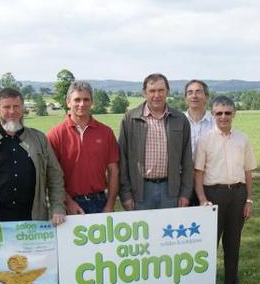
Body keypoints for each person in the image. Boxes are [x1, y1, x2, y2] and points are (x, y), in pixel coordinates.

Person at [0, 87, 66, 232]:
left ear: (22, 108)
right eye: (6, 107)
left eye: (16, 106)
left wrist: (58, 207)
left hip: (33, 219)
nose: (12, 111)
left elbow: (54, 176)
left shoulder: (40, 139)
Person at [194, 96, 257, 284]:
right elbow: (198, 172)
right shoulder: (205, 139)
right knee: (210, 243)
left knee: (233, 242)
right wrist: (202, 198)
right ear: (212, 115)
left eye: (227, 113)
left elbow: (248, 171)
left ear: (234, 114)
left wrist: (249, 200)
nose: (223, 117)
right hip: (213, 194)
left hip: (237, 194)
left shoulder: (243, 139)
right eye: (219, 113)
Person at [118, 73, 193, 210]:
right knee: (144, 231)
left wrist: (185, 193)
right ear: (144, 93)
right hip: (140, 191)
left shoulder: (180, 119)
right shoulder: (130, 119)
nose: (156, 95)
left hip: (171, 191)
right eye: (152, 91)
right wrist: (125, 194)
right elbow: (122, 159)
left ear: (167, 92)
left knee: (169, 229)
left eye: (161, 90)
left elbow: (187, 159)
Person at [47, 81, 119, 214]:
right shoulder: (55, 134)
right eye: (77, 100)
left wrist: (110, 204)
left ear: (92, 102)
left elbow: (113, 171)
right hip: (69, 205)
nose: (82, 104)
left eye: (86, 99)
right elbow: (51, 176)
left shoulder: (106, 132)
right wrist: (68, 202)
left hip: (100, 202)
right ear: (68, 102)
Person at [184, 79, 214, 206]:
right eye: (190, 92)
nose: (194, 95)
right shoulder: (177, 122)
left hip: (210, 181)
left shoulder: (216, 122)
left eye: (198, 92)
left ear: (206, 97)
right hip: (184, 183)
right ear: (186, 98)